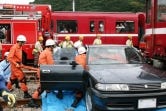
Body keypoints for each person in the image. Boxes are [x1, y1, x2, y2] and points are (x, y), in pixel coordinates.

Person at [28, 39, 63, 107]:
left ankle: (48, 93)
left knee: (45, 85)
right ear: (50, 46)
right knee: (42, 87)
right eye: (53, 46)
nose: (53, 48)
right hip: (45, 72)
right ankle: (32, 101)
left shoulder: (44, 51)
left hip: (43, 71)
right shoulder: (48, 53)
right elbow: (51, 64)